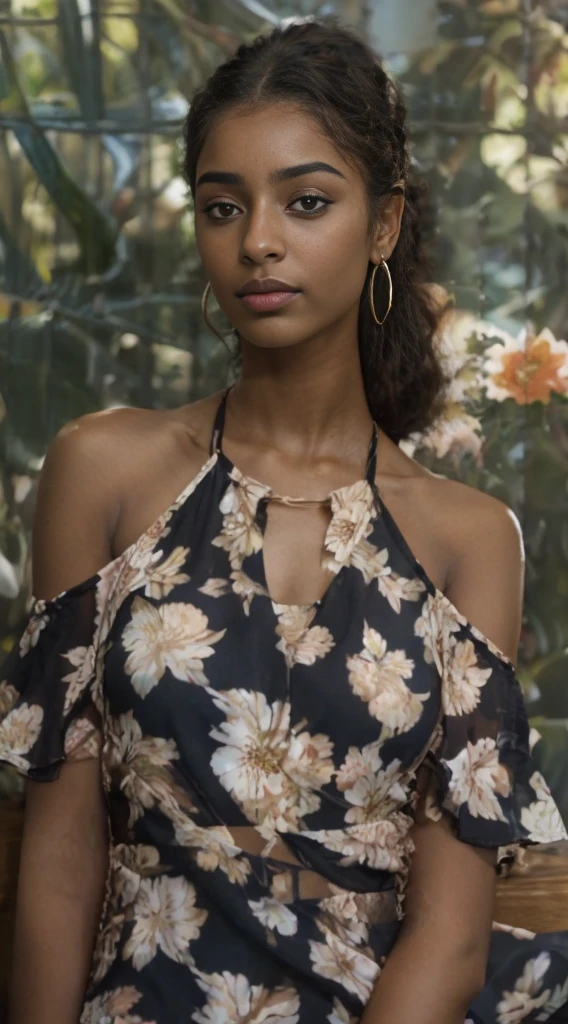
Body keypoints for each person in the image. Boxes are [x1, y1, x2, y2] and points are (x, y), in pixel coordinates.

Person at [1, 17, 567, 1024]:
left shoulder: (467, 537)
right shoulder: (106, 471)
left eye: (306, 202)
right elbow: (59, 854)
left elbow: (452, 932)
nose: (258, 239)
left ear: (383, 225)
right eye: (223, 206)